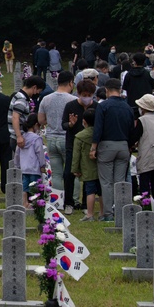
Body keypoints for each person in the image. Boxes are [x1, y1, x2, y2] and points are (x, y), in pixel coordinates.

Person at [91, 78, 136, 221]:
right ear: (120, 89)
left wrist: (94, 147)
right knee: (120, 181)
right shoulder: (127, 107)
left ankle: (108, 214)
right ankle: (121, 212)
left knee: (106, 182)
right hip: (123, 145)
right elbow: (131, 128)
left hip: (107, 145)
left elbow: (98, 128)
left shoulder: (103, 106)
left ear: (106, 90)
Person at [38, 74, 75, 213]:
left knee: (57, 173)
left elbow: (41, 120)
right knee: (71, 172)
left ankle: (58, 199)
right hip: (67, 138)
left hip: (52, 138)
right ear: (70, 83)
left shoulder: (46, 99)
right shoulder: (73, 100)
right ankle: (73, 200)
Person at [62, 79, 98, 212]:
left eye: (89, 95)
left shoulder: (97, 106)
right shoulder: (70, 106)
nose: (87, 98)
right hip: (73, 143)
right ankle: (69, 203)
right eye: (84, 94)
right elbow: (63, 125)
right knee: (69, 173)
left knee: (88, 174)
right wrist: (71, 124)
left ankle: (85, 204)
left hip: (90, 144)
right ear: (78, 93)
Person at [131, 94, 154, 216]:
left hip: (148, 156)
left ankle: (146, 210)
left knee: (145, 187)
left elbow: (135, 137)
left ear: (143, 108)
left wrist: (130, 144)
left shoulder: (143, 120)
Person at [72, 109, 103, 221]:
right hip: (101, 167)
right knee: (101, 191)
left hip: (87, 168)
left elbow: (76, 155)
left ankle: (90, 214)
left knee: (90, 191)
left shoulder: (79, 136)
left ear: (84, 121)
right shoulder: (101, 133)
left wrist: (75, 169)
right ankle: (102, 212)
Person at [17, 114, 45, 207]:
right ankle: (36, 203)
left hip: (24, 168)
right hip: (34, 168)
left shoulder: (22, 138)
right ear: (36, 125)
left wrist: (17, 165)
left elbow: (17, 153)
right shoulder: (37, 139)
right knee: (35, 187)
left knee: (24, 187)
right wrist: (42, 165)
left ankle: (24, 203)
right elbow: (40, 153)